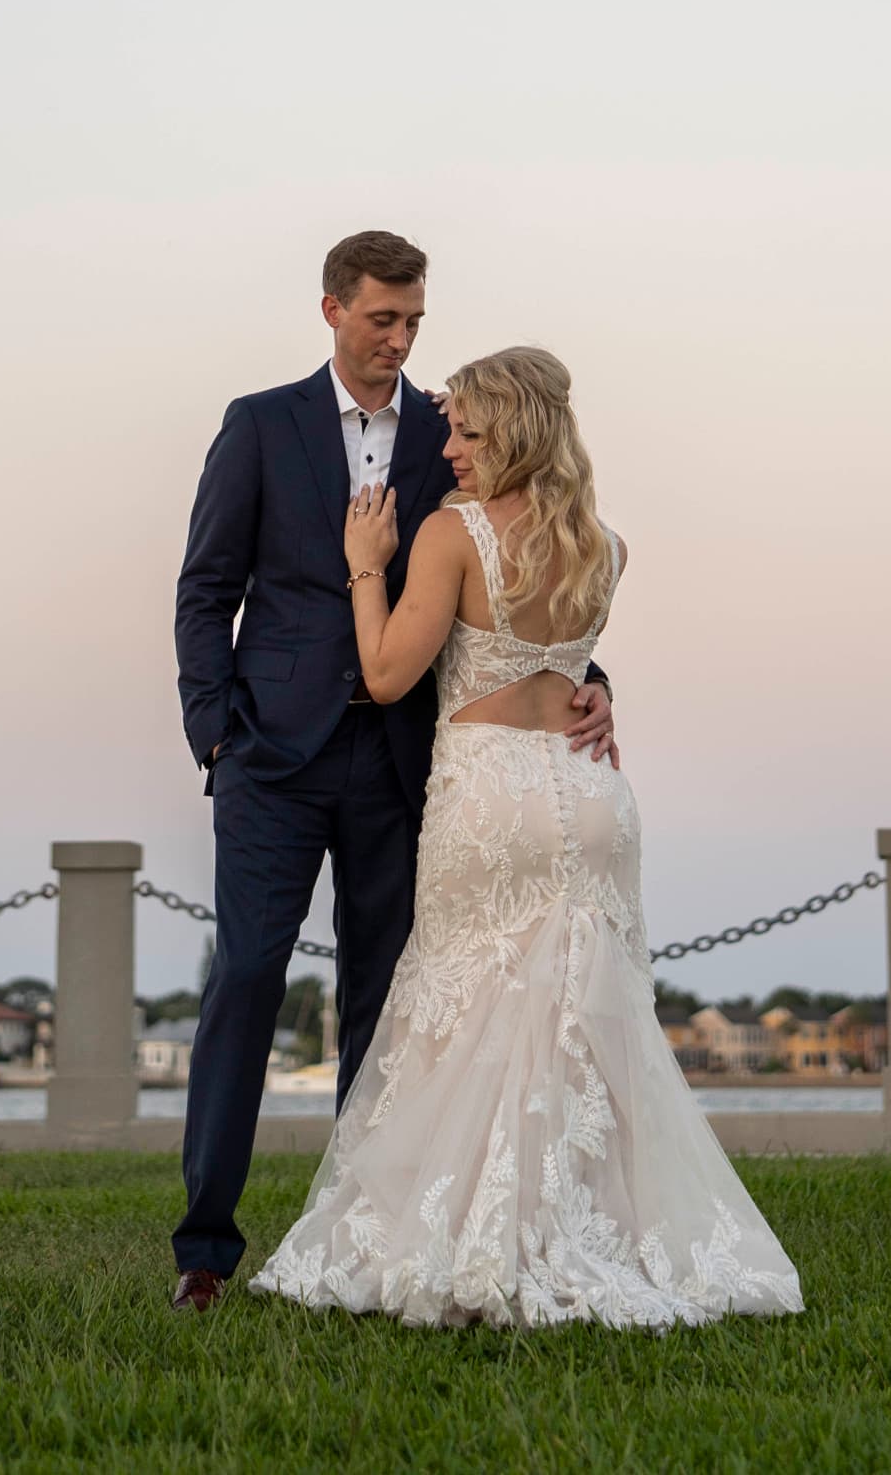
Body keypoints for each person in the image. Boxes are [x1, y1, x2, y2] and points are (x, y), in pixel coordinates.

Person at [249, 344, 803, 1329]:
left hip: (491, 796)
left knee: (460, 1021)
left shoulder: (451, 535)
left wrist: (363, 568)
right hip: (592, 798)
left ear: (511, 429)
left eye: (464, 429)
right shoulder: (606, 543)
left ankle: (469, 1234)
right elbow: (571, 668)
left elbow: (383, 676)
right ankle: (601, 1230)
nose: (448, 447)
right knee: (591, 1028)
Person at [169, 234, 616, 1311]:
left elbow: (518, 566)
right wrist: (216, 737)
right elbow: (205, 588)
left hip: (404, 762)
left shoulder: (449, 433)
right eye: (381, 319)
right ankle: (204, 1252)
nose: (400, 339)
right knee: (245, 982)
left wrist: (588, 676)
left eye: (413, 320)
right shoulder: (259, 425)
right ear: (331, 309)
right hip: (271, 760)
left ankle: (359, 1241)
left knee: (385, 1003)